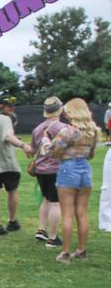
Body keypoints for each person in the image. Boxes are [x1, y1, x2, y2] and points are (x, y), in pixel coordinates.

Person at [47, 98, 100, 262]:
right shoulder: (94, 131)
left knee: (68, 214)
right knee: (82, 214)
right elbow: (91, 154)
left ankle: (65, 253)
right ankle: (81, 250)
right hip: (85, 170)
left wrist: (47, 142)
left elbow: (53, 152)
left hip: (68, 170)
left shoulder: (68, 131)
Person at [0, 95, 30, 236]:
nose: (12, 108)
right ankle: (12, 221)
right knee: (12, 190)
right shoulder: (6, 119)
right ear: (3, 106)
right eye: (9, 106)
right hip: (7, 163)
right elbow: (7, 137)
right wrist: (23, 145)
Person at [29, 97, 64, 249]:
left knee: (46, 199)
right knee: (56, 202)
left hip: (41, 169)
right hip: (56, 168)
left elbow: (32, 149)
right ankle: (52, 237)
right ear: (59, 110)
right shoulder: (62, 128)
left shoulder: (37, 129)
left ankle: (41, 229)